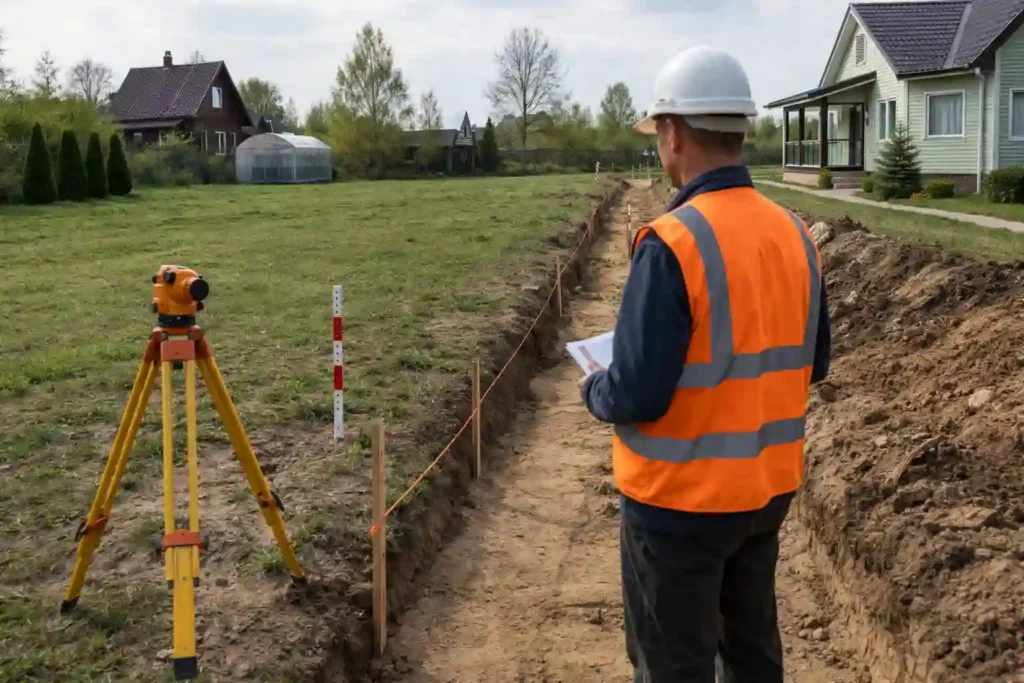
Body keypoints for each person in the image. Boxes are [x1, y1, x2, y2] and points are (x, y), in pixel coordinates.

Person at [581, 46, 831, 683]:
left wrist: (595, 389)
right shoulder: (796, 235)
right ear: (740, 130)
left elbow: (637, 392)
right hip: (764, 496)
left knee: (674, 666)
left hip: (678, 507)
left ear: (670, 133)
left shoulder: (671, 243)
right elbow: (813, 361)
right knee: (751, 657)